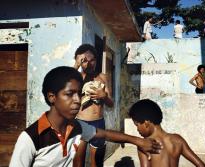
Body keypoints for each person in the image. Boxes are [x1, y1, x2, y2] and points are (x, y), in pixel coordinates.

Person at [9, 66, 162, 167]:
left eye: (79, 94)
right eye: (69, 94)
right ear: (52, 97)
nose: (77, 100)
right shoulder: (30, 138)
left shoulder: (77, 128)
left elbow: (107, 134)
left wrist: (138, 141)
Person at [128, 99, 205, 167]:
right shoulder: (178, 140)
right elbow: (201, 165)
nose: (137, 129)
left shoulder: (145, 145)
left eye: (137, 125)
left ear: (146, 123)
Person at [73, 44, 113, 167]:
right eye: (85, 60)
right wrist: (76, 66)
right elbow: (63, 85)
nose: (89, 64)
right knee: (77, 162)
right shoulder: (76, 77)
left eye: (92, 60)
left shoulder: (103, 77)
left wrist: (104, 96)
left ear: (96, 60)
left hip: (99, 124)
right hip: (80, 123)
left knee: (97, 163)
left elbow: (111, 104)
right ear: (79, 61)